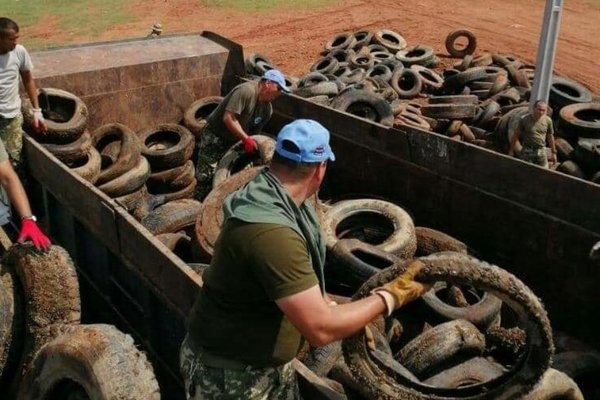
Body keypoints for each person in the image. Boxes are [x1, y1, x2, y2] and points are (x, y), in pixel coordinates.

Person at [180, 119, 430, 399]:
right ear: (320, 168)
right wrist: (390, 297)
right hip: (232, 377)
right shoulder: (272, 232)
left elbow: (293, 287)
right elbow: (320, 329)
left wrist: (348, 318)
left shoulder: (270, 195)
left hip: (261, 365)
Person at [195, 69, 290, 199]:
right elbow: (228, 118)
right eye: (279, 88)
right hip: (216, 136)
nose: (280, 93)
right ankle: (199, 206)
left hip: (235, 141)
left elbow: (255, 134)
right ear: (268, 83)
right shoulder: (246, 91)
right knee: (207, 176)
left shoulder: (267, 110)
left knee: (235, 176)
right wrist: (246, 139)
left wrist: (251, 146)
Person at [0, 17, 47, 165]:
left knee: (14, 162)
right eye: (10, 39)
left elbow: (28, 80)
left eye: (16, 38)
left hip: (10, 118)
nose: (15, 42)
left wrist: (37, 111)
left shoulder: (19, 52)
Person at [508, 100, 556, 168]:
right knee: (525, 171)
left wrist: (554, 153)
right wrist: (511, 150)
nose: (541, 112)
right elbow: (516, 135)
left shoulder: (548, 120)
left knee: (544, 172)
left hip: (541, 151)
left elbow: (550, 137)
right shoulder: (524, 119)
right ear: (534, 108)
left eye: (543, 110)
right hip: (527, 151)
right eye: (539, 110)